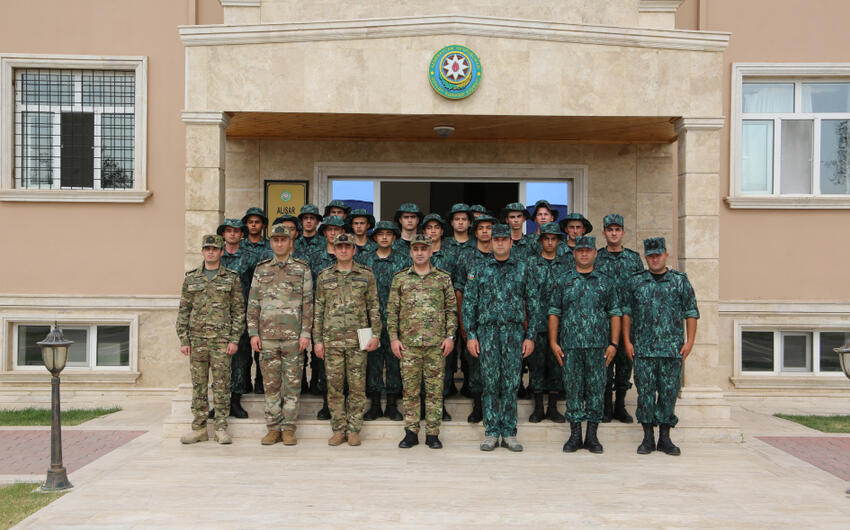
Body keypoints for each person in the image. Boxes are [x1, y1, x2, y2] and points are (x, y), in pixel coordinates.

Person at [462, 224, 540, 452]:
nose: (500, 243)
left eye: (504, 239)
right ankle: (491, 432)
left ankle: (509, 432)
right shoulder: (479, 268)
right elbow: (469, 304)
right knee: (489, 383)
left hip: (514, 333)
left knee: (511, 383)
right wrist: (471, 335)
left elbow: (534, 305)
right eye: (496, 239)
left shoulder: (523, 268)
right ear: (491, 242)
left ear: (511, 242)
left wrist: (530, 336)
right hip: (487, 333)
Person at [622, 237, 699, 456]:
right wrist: (627, 341)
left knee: (668, 394)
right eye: (650, 256)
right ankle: (648, 438)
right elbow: (627, 313)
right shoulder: (635, 281)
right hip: (644, 350)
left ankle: (665, 438)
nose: (655, 259)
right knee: (645, 395)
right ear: (646, 257)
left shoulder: (679, 281)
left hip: (671, 350)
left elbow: (691, 312)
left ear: (666, 255)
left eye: (658, 255)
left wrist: (690, 342)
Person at [548, 235, 622, 454]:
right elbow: (554, 312)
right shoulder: (564, 280)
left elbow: (615, 313)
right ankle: (574, 435)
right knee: (572, 389)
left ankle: (592, 435)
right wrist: (553, 342)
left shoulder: (606, 281)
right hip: (570, 346)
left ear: (595, 253)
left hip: (598, 347)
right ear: (574, 254)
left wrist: (614, 344)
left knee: (596, 390)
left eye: (588, 251)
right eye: (580, 251)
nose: (584, 254)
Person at [387, 234, 457, 449]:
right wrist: (394, 339)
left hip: (436, 345)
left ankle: (433, 434)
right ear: (410, 252)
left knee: (435, 392)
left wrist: (450, 336)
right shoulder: (401, 278)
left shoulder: (443, 278)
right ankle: (411, 432)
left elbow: (451, 310)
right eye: (416, 249)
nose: (419, 253)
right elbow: (392, 311)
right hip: (409, 346)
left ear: (431, 251)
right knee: (410, 391)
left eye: (423, 249)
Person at [247, 225, 313, 446]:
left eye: (283, 240)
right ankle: (273, 427)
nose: (279, 243)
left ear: (290, 242)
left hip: (293, 337)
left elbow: (308, 303)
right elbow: (253, 303)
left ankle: (289, 428)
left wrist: (305, 333)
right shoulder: (262, 269)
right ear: (271, 243)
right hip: (267, 337)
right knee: (271, 385)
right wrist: (253, 333)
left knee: (293, 385)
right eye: (275, 240)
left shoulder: (302, 268)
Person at [313, 234, 381, 447]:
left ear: (354, 250)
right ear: (333, 250)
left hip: (357, 341)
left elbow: (374, 307)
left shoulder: (366, 275)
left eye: (347, 247)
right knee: (334, 387)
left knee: (357, 387)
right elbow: (319, 309)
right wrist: (317, 340)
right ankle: (338, 429)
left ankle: (353, 429)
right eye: (339, 246)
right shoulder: (324, 276)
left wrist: (376, 335)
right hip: (332, 341)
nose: (343, 250)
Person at [176, 234, 245, 445]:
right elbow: (184, 310)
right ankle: (199, 428)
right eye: (207, 249)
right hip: (197, 341)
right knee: (199, 386)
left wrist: (234, 339)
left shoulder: (231, 278)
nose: (211, 252)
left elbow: (238, 311)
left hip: (221, 342)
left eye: (215, 249)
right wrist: (184, 339)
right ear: (202, 252)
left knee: (222, 385)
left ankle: (221, 428)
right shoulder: (191, 278)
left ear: (221, 252)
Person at [355, 221, 411, 421]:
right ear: (375, 237)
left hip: (397, 318)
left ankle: (392, 405)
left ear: (394, 237)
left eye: (389, 234)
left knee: (395, 360)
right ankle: (375, 404)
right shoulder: (364, 259)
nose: (385, 237)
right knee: (373, 361)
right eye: (381, 234)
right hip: (370, 319)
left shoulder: (404, 259)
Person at [595, 214, 644, 424]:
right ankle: (606, 405)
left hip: (628, 320)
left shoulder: (633, 259)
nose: (613, 233)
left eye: (617, 229)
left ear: (623, 232)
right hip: (603, 321)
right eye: (610, 230)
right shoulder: (597, 257)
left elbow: (641, 289)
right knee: (604, 363)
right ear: (604, 233)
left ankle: (620, 406)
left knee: (625, 363)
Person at [453, 214, 497, 423]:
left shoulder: (502, 255)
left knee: (498, 367)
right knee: (476, 366)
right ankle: (478, 407)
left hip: (499, 322)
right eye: (481, 228)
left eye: (489, 227)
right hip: (475, 322)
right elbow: (459, 291)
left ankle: (495, 408)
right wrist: (463, 322)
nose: (485, 231)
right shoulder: (467, 257)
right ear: (476, 232)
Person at [525, 222, 566, 424]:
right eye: (546, 239)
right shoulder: (531, 264)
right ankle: (538, 407)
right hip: (537, 323)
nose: (550, 242)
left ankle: (553, 407)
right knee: (537, 366)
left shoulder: (565, 264)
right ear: (540, 241)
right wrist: (527, 322)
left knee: (556, 366)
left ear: (558, 242)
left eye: (553, 239)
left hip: (560, 325)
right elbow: (524, 294)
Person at [307, 215, 347, 417]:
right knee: (325, 366)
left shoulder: (351, 255)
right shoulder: (315, 257)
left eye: (337, 229)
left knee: (348, 368)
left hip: (348, 321)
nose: (333, 233)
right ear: (324, 233)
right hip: (325, 319)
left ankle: (344, 405)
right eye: (330, 229)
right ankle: (326, 404)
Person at [216, 218, 254, 418]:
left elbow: (256, 286)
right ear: (223, 234)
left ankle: (235, 401)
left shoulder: (249, 258)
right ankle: (219, 402)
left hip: (242, 314)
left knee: (240, 359)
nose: (232, 234)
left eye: (236, 231)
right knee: (219, 361)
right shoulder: (216, 255)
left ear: (242, 235)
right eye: (229, 230)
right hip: (219, 316)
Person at [422, 213, 457, 420]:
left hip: (441, 322)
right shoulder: (416, 254)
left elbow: (455, 291)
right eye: (429, 227)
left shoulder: (450, 256)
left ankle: (440, 404)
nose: (433, 231)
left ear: (442, 231)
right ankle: (422, 406)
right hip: (418, 323)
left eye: (436, 227)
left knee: (444, 366)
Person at [241, 207, 272, 395]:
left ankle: (261, 383)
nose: (253, 225)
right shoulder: (240, 247)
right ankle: (244, 383)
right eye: (250, 222)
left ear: (263, 225)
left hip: (265, 304)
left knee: (263, 347)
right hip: (243, 303)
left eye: (257, 222)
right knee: (244, 349)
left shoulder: (270, 248)